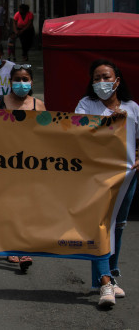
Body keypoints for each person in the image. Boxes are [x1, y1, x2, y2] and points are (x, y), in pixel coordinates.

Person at [74, 59, 139, 307]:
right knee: (100, 226)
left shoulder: (132, 108)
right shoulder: (86, 104)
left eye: (106, 77)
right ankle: (104, 283)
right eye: (97, 78)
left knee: (118, 225)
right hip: (97, 176)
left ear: (117, 81)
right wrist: (109, 122)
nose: (102, 82)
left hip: (126, 177)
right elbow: (79, 132)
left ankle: (111, 274)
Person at [0, 64, 47, 271]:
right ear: (10, 82)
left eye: (25, 79)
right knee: (9, 205)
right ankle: (13, 245)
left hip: (30, 164)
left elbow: (47, 134)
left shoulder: (39, 105)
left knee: (27, 206)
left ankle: (23, 246)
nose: (22, 83)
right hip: (4, 163)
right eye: (18, 79)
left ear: (32, 81)